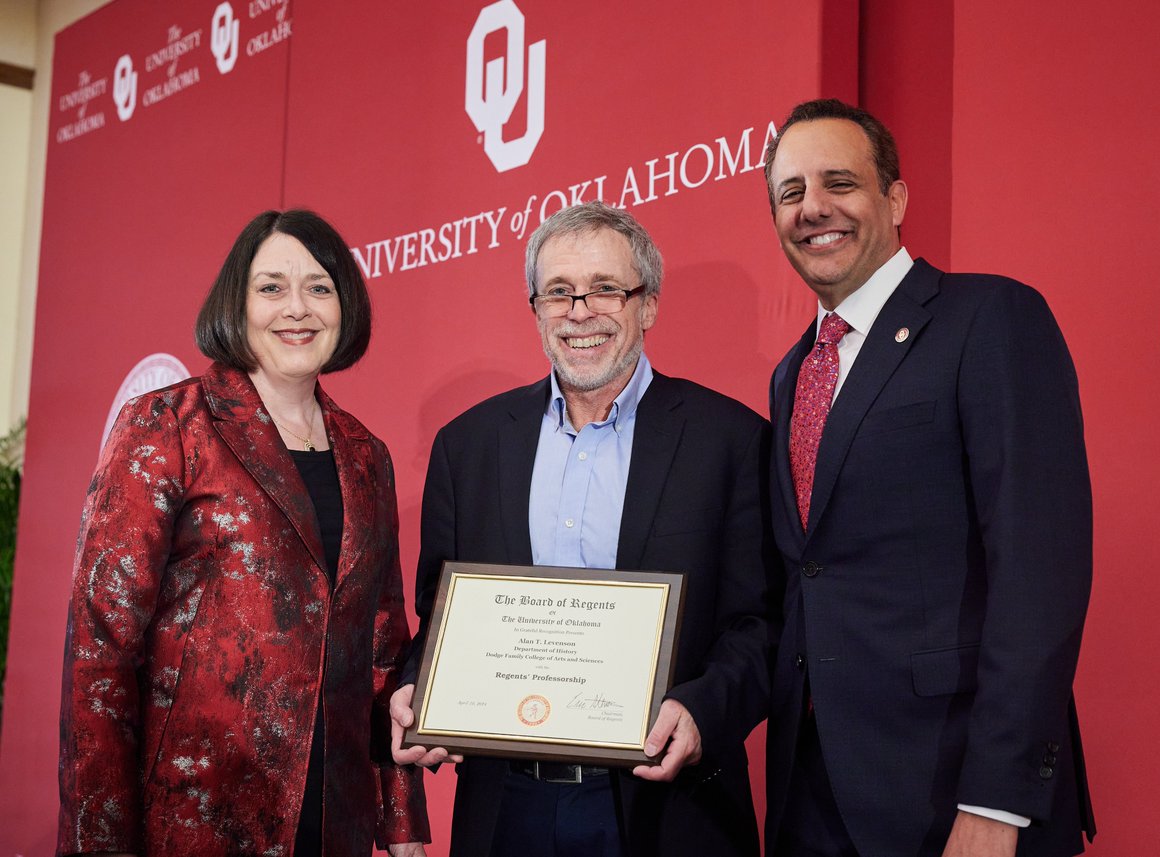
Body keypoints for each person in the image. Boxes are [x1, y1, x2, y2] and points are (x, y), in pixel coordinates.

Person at [389, 201, 779, 857]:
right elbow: (441, 619)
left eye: (605, 289)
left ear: (647, 304)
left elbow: (762, 623)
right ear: (535, 308)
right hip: (506, 805)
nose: (579, 311)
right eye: (559, 293)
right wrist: (415, 687)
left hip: (670, 810)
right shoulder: (469, 447)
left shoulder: (731, 441)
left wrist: (701, 711)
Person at [761, 98, 1096, 857]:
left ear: (896, 198)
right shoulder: (791, 374)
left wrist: (996, 802)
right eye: (791, 192)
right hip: (813, 800)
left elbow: (1039, 573)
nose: (813, 208)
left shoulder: (991, 319)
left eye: (838, 182)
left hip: (954, 798)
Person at [57, 210, 429, 857]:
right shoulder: (169, 424)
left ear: (346, 305)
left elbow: (382, 654)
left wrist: (400, 825)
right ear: (238, 300)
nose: (297, 307)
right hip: (193, 821)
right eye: (272, 287)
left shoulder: (368, 455)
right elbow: (102, 654)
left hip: (332, 824)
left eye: (319, 286)